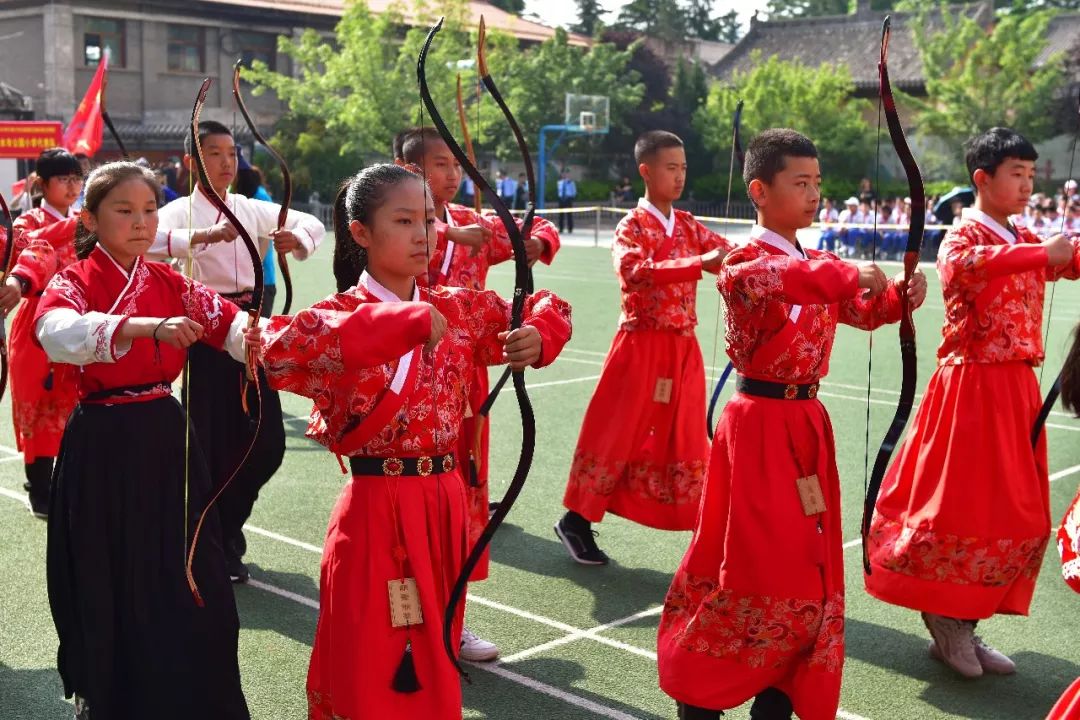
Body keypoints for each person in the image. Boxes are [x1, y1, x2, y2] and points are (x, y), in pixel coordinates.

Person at [258, 163, 571, 720]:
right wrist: (396, 322)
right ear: (361, 233)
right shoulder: (336, 316)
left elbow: (545, 305)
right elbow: (276, 351)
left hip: (445, 501)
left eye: (428, 220)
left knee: (434, 648)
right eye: (403, 221)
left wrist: (538, 336)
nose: (424, 234)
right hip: (376, 509)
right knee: (373, 655)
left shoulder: (458, 305)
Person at [657, 128, 926, 720]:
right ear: (760, 190)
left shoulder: (814, 258)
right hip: (757, 426)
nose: (813, 195)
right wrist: (849, 276)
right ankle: (704, 690)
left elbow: (861, 308)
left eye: (817, 184)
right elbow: (788, 283)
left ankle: (779, 690)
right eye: (799, 184)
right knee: (752, 561)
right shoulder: (744, 260)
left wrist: (902, 296)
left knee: (806, 564)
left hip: (805, 421)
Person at [35, 161, 254, 719]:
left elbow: (229, 326)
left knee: (189, 563)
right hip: (104, 442)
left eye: (151, 211)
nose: (140, 223)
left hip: (165, 438)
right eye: (124, 211)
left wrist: (280, 340)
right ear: (90, 217)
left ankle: (188, 687)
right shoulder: (74, 279)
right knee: (106, 563)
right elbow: (55, 332)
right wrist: (139, 328)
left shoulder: (170, 281)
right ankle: (106, 687)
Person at [865, 127, 1080, 679]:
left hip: (1015, 390)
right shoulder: (964, 236)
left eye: (1032, 175)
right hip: (970, 391)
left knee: (1013, 513)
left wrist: (1051, 252)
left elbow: (1065, 259)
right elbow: (967, 268)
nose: (1028, 185)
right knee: (962, 509)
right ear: (982, 179)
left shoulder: (1022, 234)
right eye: (1017, 174)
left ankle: (965, 619)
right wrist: (1040, 252)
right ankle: (947, 621)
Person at [395, 125, 561, 662]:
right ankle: (401, 625)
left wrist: (536, 243)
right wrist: (440, 234)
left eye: (454, 164)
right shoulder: (395, 222)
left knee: (464, 494)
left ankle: (453, 616)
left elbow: (537, 225)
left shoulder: (472, 222)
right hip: (401, 372)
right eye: (438, 163)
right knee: (399, 501)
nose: (451, 173)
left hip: (466, 380)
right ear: (410, 169)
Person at [151, 119, 326, 583]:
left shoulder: (249, 208)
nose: (227, 162)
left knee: (266, 444)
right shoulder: (176, 213)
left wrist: (298, 239)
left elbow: (310, 222)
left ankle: (228, 527)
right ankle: (211, 542)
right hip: (203, 334)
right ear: (192, 162)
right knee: (206, 445)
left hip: (251, 330)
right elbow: (142, 237)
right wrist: (198, 239)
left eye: (232, 153)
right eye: (214, 153)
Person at [556, 130, 734, 565]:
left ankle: (703, 531)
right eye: (670, 168)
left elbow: (731, 254)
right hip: (641, 343)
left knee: (687, 436)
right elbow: (632, 269)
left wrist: (778, 258)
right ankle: (576, 519)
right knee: (617, 430)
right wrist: (697, 263)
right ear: (646, 171)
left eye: (683, 168)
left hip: (682, 347)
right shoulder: (631, 225)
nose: (678, 177)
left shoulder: (688, 224)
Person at [5, 147, 83, 517]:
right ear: (42, 184)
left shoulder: (87, 218)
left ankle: (68, 484)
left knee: (75, 405)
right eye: (63, 179)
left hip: (81, 320)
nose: (72, 186)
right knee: (38, 407)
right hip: (37, 325)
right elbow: (34, 251)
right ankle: (40, 488)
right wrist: (86, 221)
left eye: (76, 178)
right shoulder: (28, 223)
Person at [557, 169, 576, 234]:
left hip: (568, 199)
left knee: (569, 215)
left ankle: (570, 229)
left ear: (568, 174)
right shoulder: (559, 182)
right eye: (563, 174)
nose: (564, 175)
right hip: (561, 199)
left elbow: (574, 192)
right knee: (561, 215)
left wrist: (570, 197)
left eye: (566, 173)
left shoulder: (571, 182)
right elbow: (559, 191)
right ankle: (561, 228)